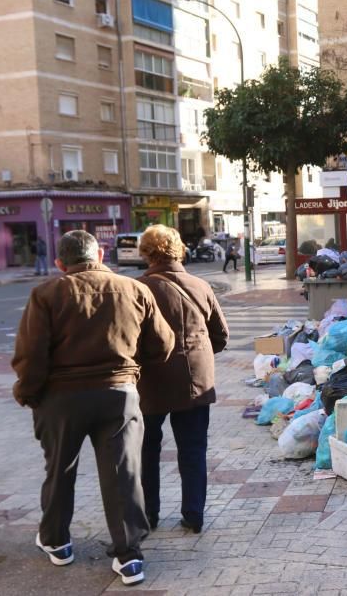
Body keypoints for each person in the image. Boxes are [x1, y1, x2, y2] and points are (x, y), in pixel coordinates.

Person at [11, 230, 175, 586]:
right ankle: (129, 557)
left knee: (59, 469)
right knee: (123, 473)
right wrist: (131, 370)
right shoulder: (134, 289)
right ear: (99, 254)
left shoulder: (46, 294)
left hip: (61, 398)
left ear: (59, 263)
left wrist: (27, 392)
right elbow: (163, 344)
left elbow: (30, 356)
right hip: (119, 393)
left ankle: (57, 542)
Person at [136, 226, 229, 536]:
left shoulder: (137, 289)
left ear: (146, 253)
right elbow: (220, 335)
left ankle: (148, 514)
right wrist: (196, 353)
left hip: (149, 382)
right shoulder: (201, 286)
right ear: (180, 251)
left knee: (146, 449)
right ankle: (194, 514)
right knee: (192, 448)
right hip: (194, 380)